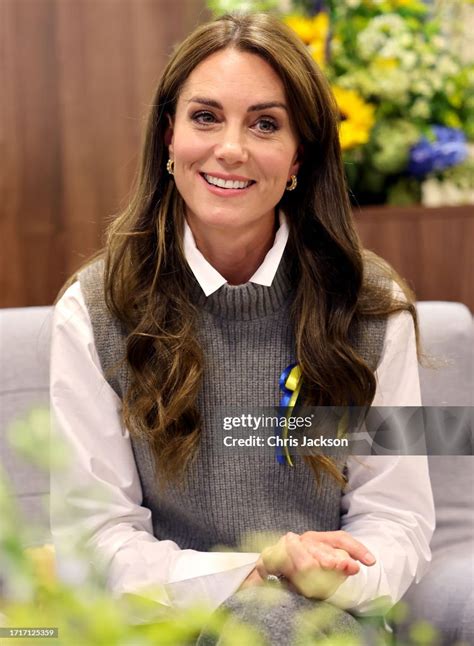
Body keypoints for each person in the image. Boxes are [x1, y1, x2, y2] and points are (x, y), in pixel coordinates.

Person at [50, 12, 434, 644]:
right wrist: (248, 572)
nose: (231, 148)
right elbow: (95, 537)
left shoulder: (371, 303)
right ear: (168, 139)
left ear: (297, 159)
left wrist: (330, 575)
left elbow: (400, 518)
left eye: (264, 123)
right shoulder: (96, 309)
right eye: (206, 117)